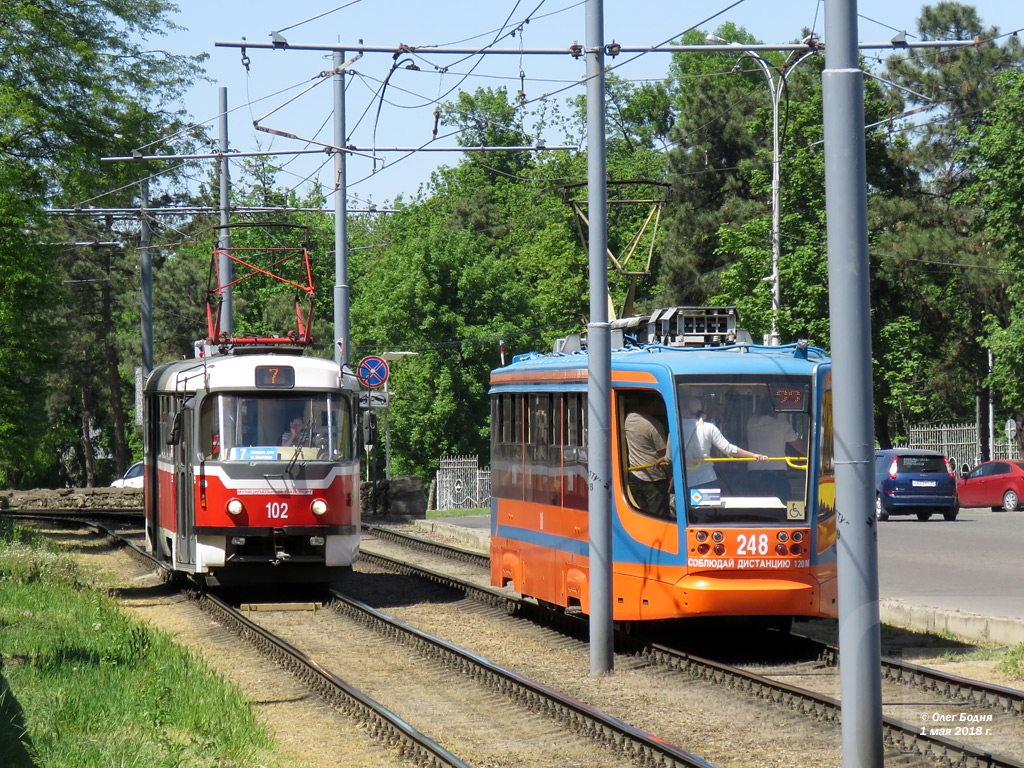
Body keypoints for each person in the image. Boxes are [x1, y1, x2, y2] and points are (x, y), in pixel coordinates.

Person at [680, 395, 767, 489]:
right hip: (707, 478)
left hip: (684, 480)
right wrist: (753, 455)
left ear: (685, 410)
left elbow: (670, 457)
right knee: (710, 504)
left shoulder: (675, 429)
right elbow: (729, 449)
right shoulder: (709, 427)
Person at [746, 402, 808, 500]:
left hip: (754, 474)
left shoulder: (750, 423)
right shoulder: (781, 425)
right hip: (776, 475)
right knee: (783, 506)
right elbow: (802, 448)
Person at [624, 395, 672, 518]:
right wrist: (671, 477)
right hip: (655, 479)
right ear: (654, 403)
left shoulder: (629, 419)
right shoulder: (653, 425)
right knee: (658, 517)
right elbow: (664, 455)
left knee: (642, 516)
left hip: (635, 475)